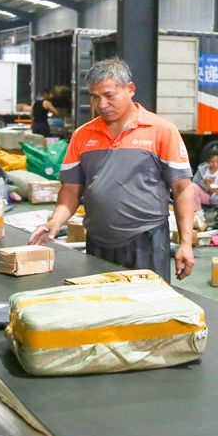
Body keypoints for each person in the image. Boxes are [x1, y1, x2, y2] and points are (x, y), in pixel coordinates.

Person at [28, 58, 196, 281]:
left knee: (145, 301)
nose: (102, 104)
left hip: (146, 240)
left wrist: (186, 243)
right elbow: (71, 190)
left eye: (109, 95)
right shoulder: (82, 135)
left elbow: (182, 188)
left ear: (130, 89)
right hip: (98, 240)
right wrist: (55, 221)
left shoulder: (161, 130)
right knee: (102, 300)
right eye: (95, 97)